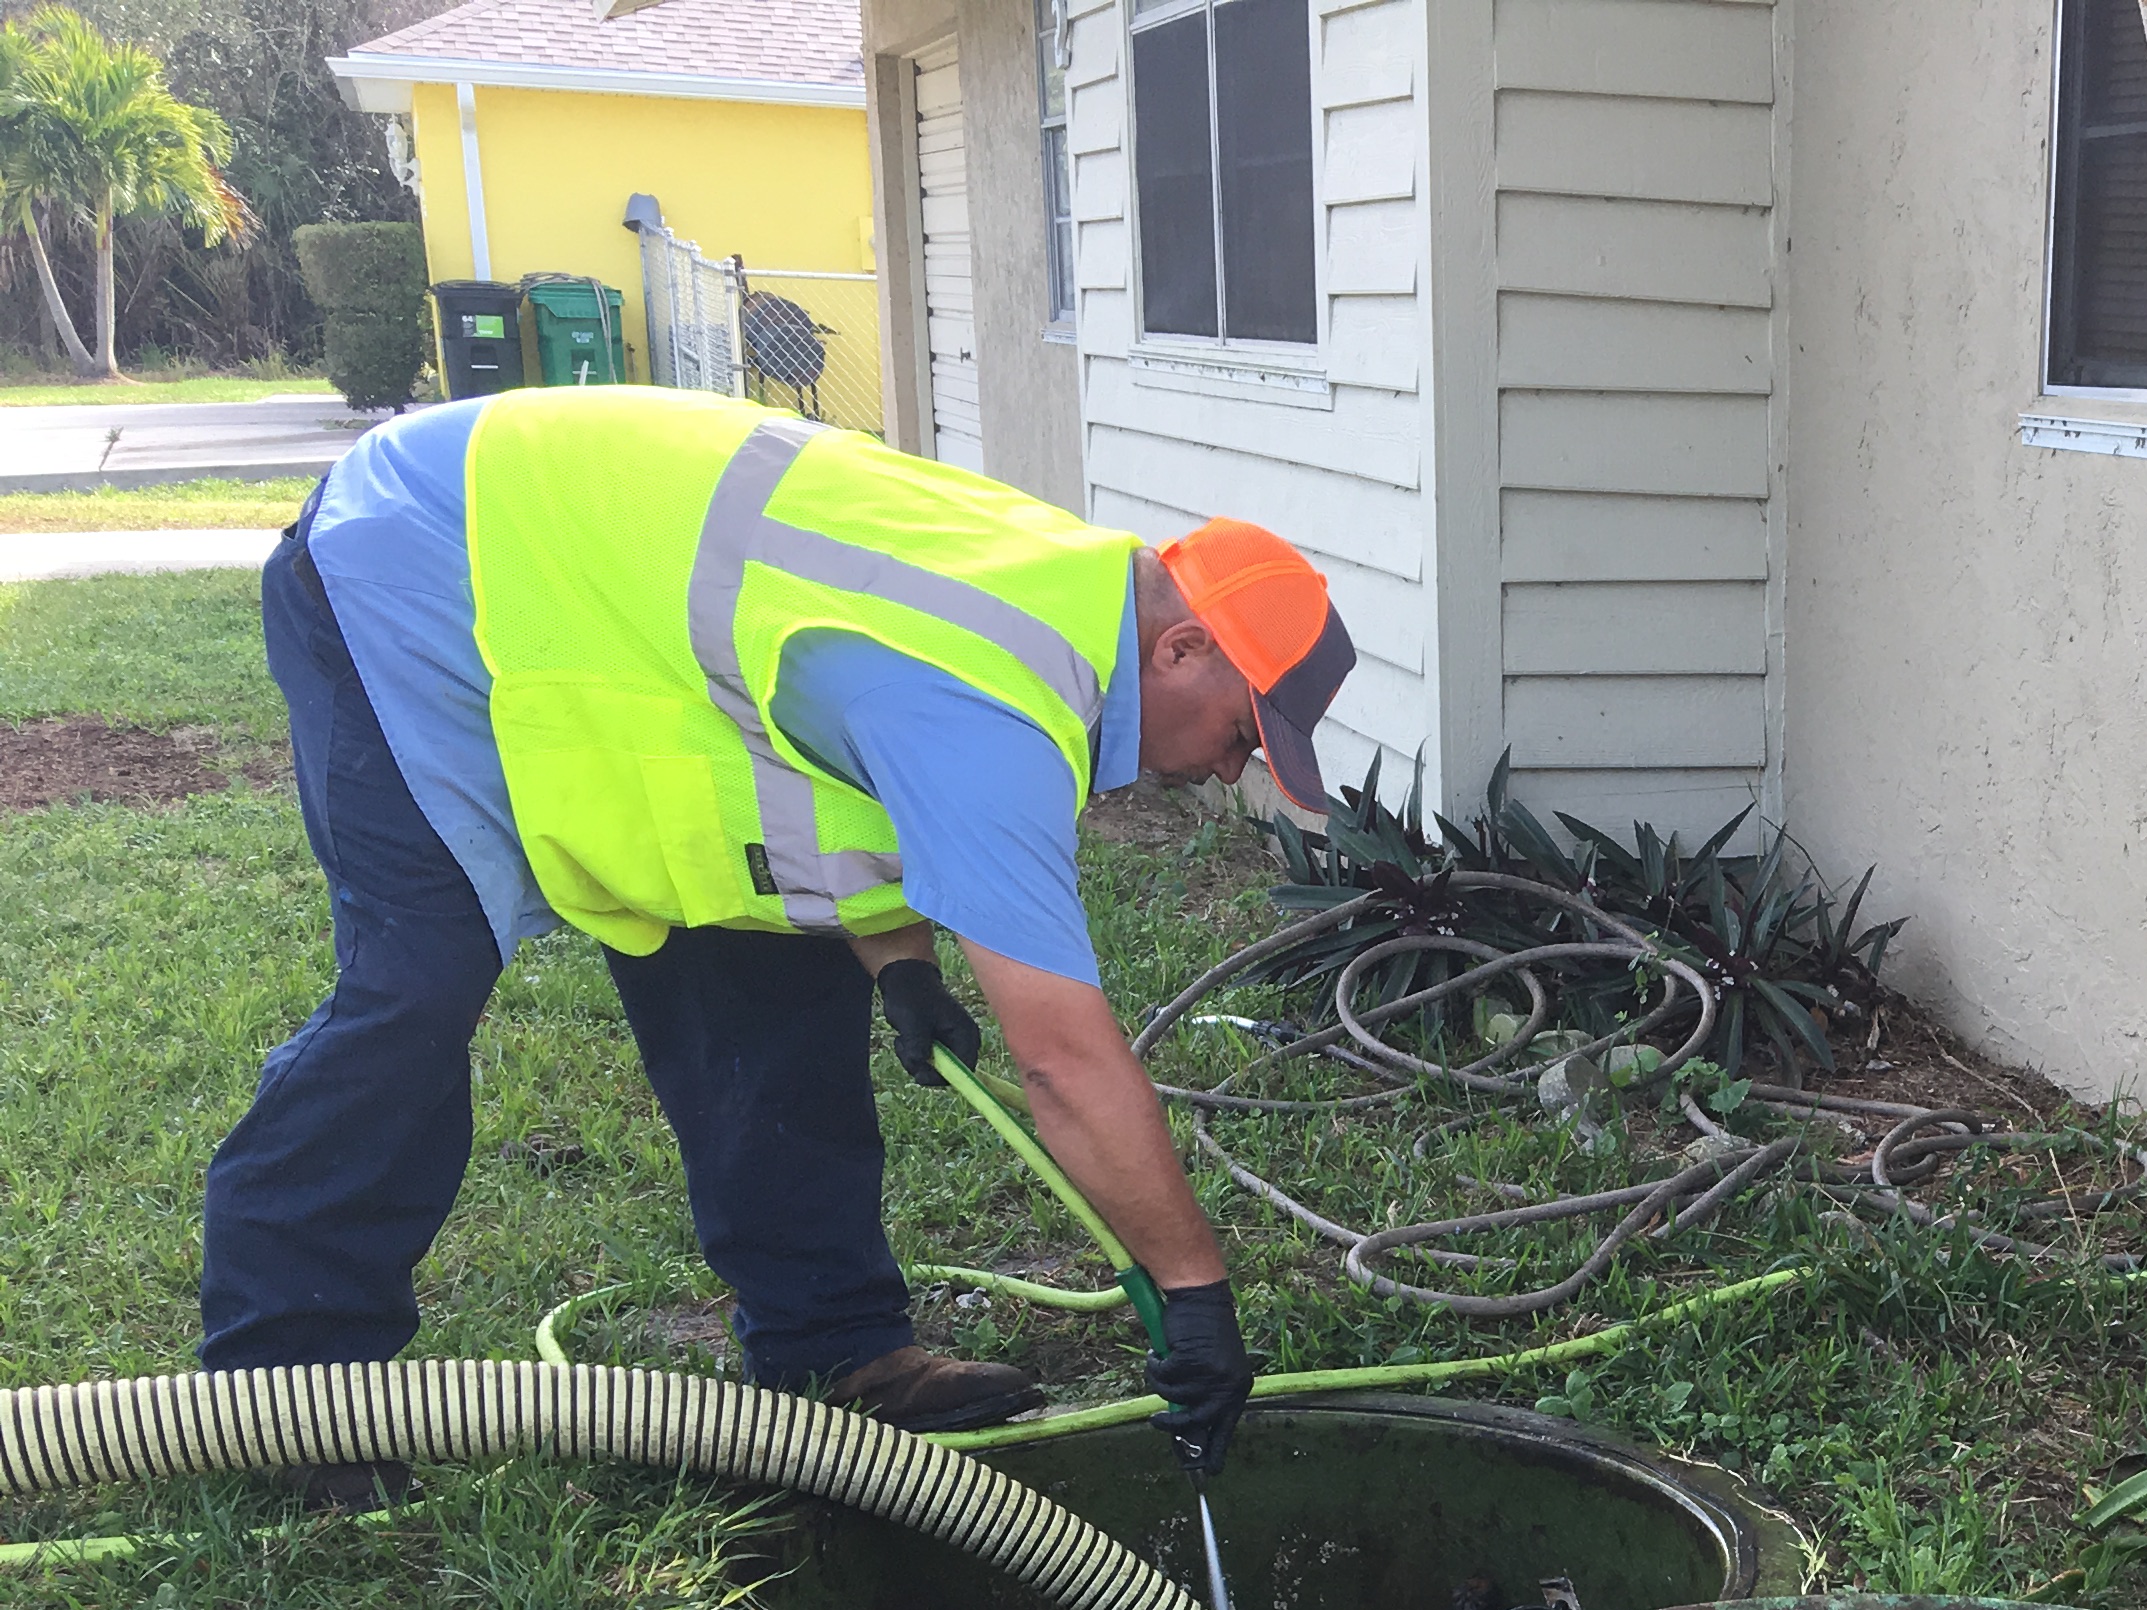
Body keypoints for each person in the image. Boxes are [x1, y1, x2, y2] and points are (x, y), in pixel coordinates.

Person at [203, 382, 1357, 1499]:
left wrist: (897, 961)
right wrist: (1194, 1289)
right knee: (419, 975)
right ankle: (283, 1385)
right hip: (420, 564)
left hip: (601, 602)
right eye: (1247, 733)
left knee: (777, 947)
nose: (1234, 766)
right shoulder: (1002, 705)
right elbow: (1061, 1062)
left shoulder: (1058, 587)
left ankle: (832, 1353)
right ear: (1181, 649)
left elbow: (839, 756)